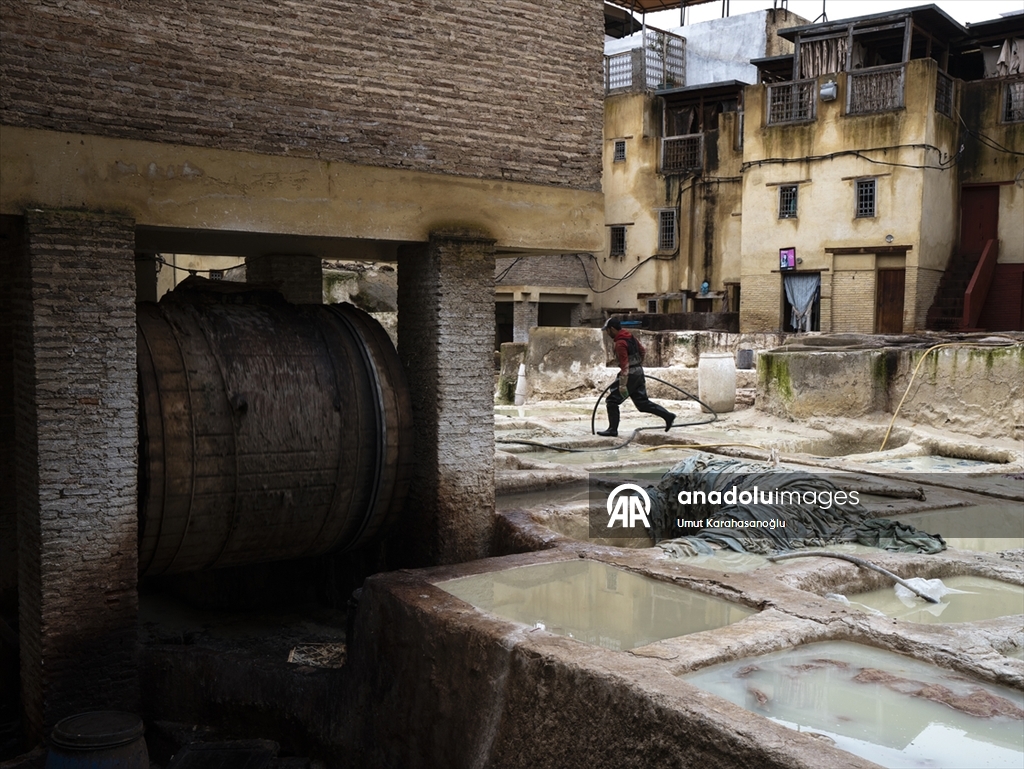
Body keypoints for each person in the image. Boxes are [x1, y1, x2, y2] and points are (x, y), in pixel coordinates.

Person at [597, 318, 676, 437]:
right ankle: (668, 416)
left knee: (612, 401)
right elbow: (642, 351)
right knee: (642, 403)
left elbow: (624, 365)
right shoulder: (630, 337)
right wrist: (637, 365)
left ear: (612, 329)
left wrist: (623, 384)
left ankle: (612, 429)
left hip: (629, 374)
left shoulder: (620, 343)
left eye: (607, 330)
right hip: (638, 371)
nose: (607, 333)